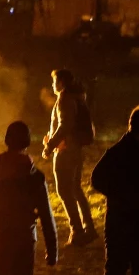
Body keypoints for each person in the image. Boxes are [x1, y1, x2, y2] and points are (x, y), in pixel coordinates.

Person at [0, 121, 58, 275]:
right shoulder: (35, 176)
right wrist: (52, 251)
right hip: (24, 240)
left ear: (7, 140)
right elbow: (46, 216)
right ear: (27, 142)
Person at [91, 105, 139, 275]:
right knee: (118, 266)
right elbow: (97, 179)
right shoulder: (119, 153)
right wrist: (126, 197)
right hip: (124, 222)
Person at [42, 69, 97, 246]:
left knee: (64, 190)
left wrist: (50, 145)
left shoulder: (65, 99)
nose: (52, 85)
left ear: (61, 83)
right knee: (74, 188)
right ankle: (88, 227)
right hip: (75, 148)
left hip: (65, 150)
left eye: (54, 81)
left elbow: (65, 125)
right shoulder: (77, 98)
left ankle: (77, 231)